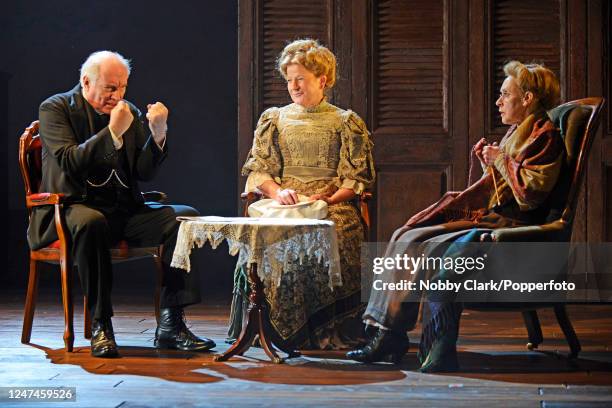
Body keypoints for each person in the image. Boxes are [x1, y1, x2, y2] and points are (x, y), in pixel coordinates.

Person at [347, 61, 564, 371]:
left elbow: (530, 195)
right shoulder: (518, 132)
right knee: (406, 235)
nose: (498, 102)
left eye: (505, 95)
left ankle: (393, 337)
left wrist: (500, 159)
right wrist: (488, 162)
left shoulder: (545, 136)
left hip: (514, 228)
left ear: (527, 98)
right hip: (493, 217)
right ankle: (386, 333)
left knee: (423, 247)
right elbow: (495, 188)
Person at [28, 51, 216, 358]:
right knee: (92, 221)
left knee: (185, 220)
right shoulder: (56, 107)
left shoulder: (126, 110)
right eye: (110, 88)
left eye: (123, 87)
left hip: (123, 210)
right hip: (72, 209)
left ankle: (171, 324)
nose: (118, 96)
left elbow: (143, 172)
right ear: (86, 82)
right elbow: (69, 162)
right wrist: (112, 132)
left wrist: (157, 135)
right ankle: (102, 326)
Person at [228, 39, 376, 349]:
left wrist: (326, 199)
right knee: (267, 236)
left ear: (321, 80)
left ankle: (322, 330)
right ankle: (269, 329)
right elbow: (260, 172)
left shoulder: (346, 121)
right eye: (289, 79)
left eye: (301, 79)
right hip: (284, 201)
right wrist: (279, 192)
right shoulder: (274, 119)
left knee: (332, 233)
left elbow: (356, 179)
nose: (294, 86)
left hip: (331, 203)